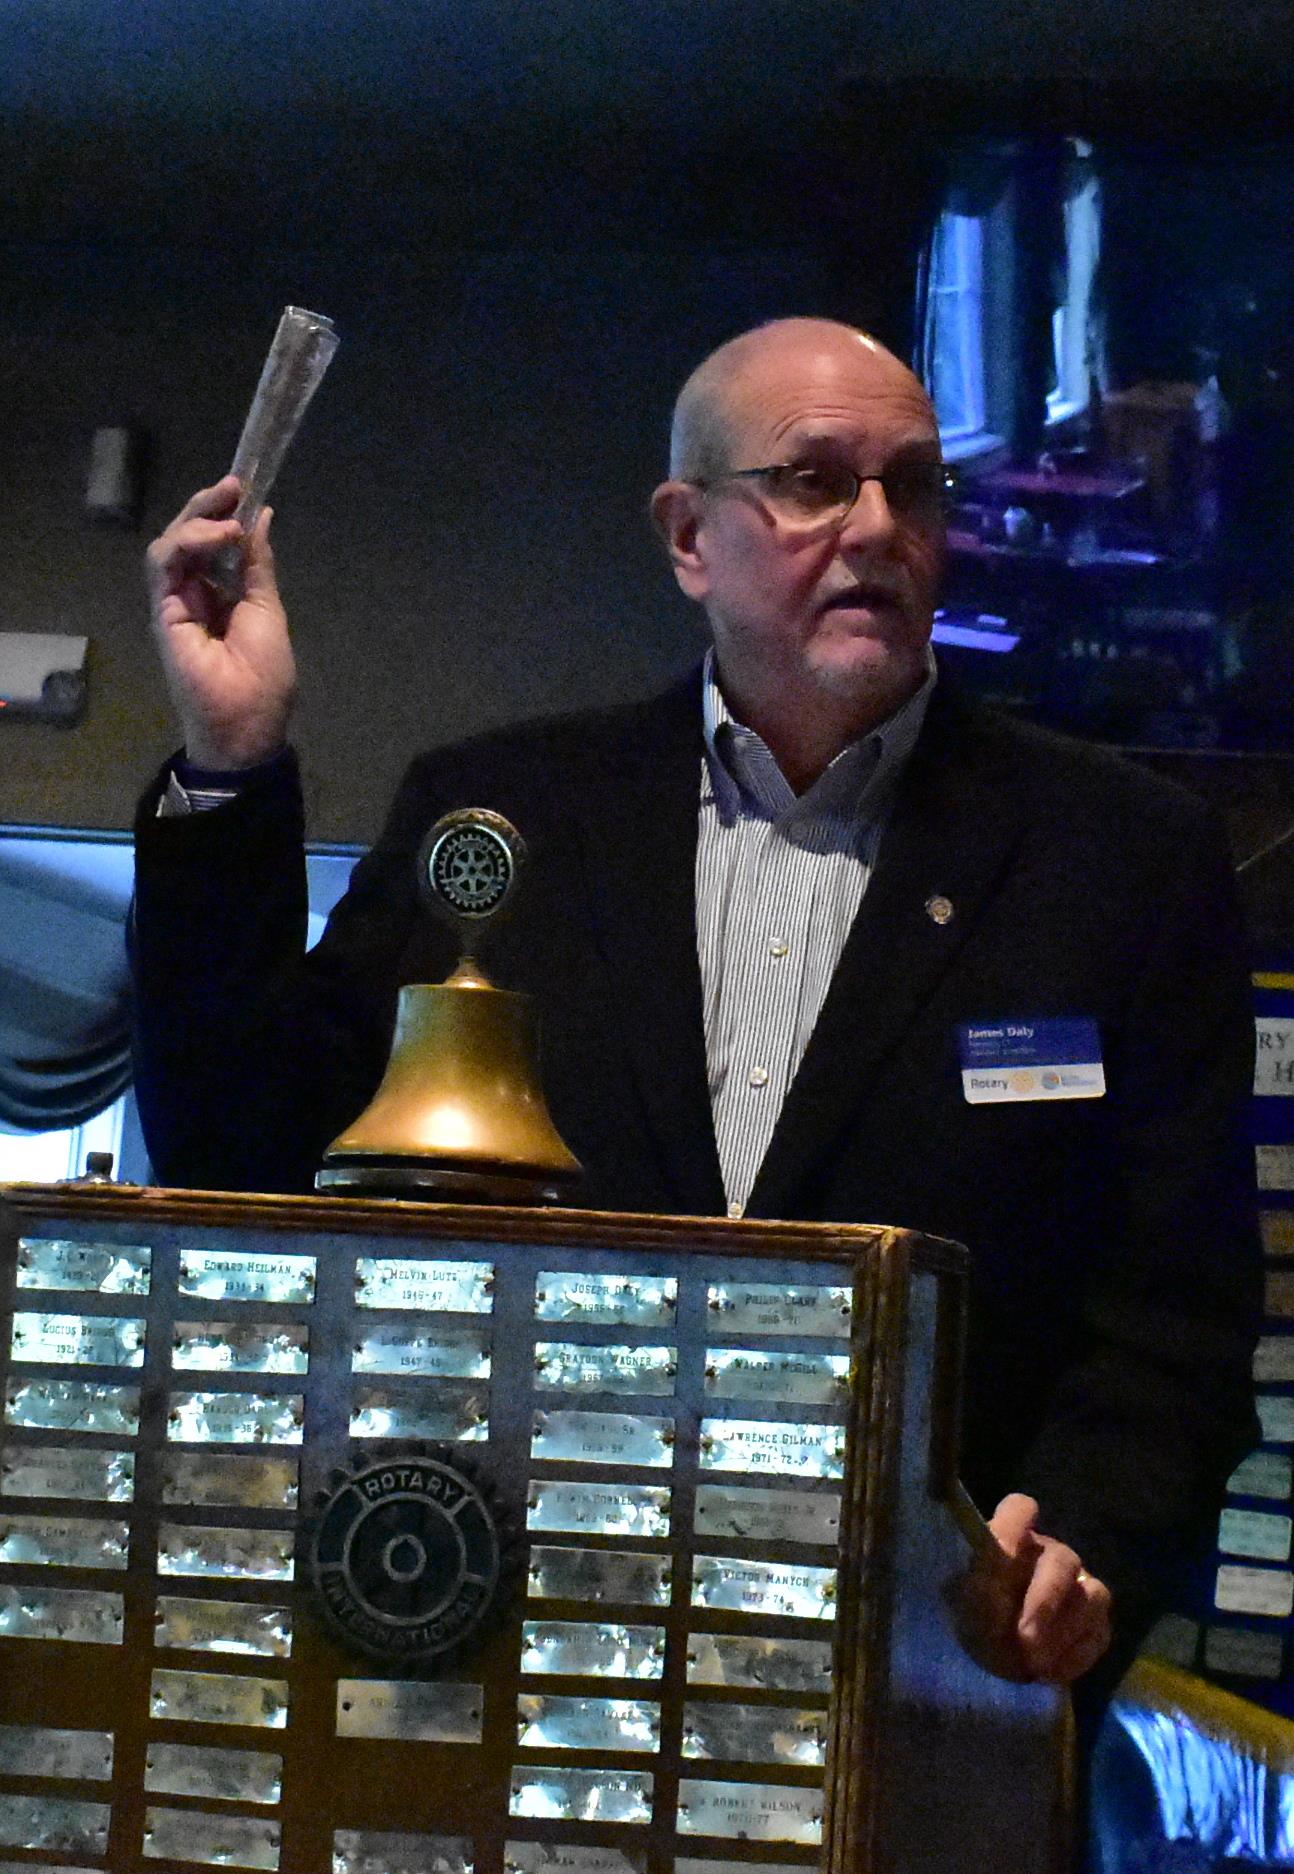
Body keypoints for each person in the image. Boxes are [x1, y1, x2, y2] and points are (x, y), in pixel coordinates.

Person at [132, 318, 1259, 1703]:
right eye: (812, 481)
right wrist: (230, 765)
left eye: (912, 486)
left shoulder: (1119, 856)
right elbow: (244, 1159)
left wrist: (1085, 1549)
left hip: (924, 1679)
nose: (875, 527)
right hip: (521, 1661)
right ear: (686, 537)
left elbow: (1176, 1323)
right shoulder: (505, 815)